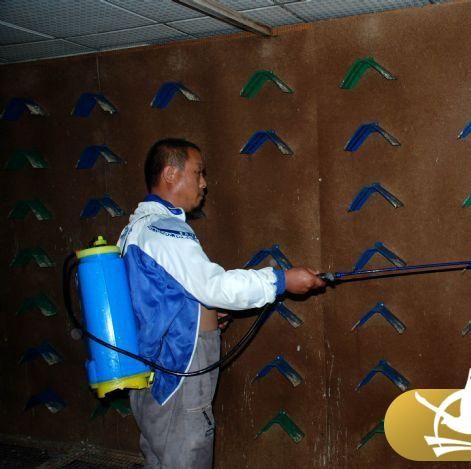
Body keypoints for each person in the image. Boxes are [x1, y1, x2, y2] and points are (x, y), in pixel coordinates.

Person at [117, 138, 325, 468]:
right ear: (170, 174)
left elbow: (160, 298)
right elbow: (214, 286)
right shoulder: (164, 230)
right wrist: (282, 280)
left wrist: (207, 313)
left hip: (154, 375)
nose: (204, 183)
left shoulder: (136, 229)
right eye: (197, 173)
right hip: (178, 375)